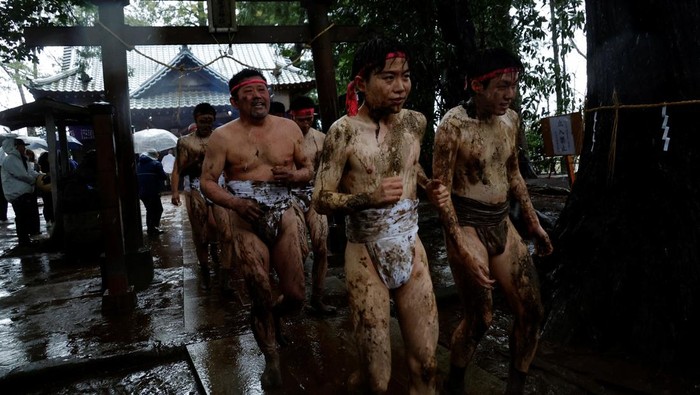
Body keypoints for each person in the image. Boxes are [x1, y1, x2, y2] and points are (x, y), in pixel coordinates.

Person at [312, 37, 447, 394]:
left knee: (428, 366)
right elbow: (320, 198)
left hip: (410, 245)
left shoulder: (415, 123)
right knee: (378, 379)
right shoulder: (342, 132)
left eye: (405, 76)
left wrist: (428, 185)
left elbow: (412, 167)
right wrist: (367, 197)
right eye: (388, 78)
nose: (400, 87)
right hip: (366, 251)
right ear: (361, 82)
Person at [430, 47, 554, 395]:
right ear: (476, 86)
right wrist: (460, 245)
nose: (509, 95)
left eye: (513, 86)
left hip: (501, 222)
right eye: (501, 86)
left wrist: (532, 222)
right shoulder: (452, 127)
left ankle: (515, 387)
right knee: (481, 318)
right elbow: (441, 195)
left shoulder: (511, 120)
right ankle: (454, 383)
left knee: (532, 311)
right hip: (466, 223)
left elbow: (512, 171)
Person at [200, 68, 313, 389]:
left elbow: (308, 168)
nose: (257, 97)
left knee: (295, 295)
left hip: (283, 211)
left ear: (269, 93)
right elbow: (207, 181)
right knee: (259, 289)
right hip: (245, 217)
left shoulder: (289, 128)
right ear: (235, 100)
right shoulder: (223, 137)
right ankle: (271, 358)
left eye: (261, 90)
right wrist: (235, 204)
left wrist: (294, 177)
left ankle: (274, 316)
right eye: (248, 93)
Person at [288, 95, 337, 315]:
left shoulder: (321, 138)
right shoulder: (283, 137)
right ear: (293, 117)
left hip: (314, 195)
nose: (306, 123)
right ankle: (295, 294)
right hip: (291, 197)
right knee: (301, 249)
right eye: (301, 119)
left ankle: (317, 297)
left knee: (321, 247)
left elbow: (329, 169)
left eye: (309, 118)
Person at [171, 103, 224, 287]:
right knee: (200, 233)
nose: (206, 125)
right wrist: (175, 191)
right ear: (196, 120)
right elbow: (177, 168)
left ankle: (216, 250)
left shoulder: (222, 138)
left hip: (219, 185)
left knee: (218, 226)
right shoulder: (185, 142)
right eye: (202, 121)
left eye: (209, 121)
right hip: (196, 187)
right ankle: (204, 269)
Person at [1, 137, 42, 246]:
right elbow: (22, 175)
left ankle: (29, 238)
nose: (24, 148)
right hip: (18, 194)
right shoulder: (10, 159)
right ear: (15, 147)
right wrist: (35, 180)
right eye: (22, 146)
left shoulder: (22, 159)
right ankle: (24, 241)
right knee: (22, 218)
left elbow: (30, 172)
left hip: (25, 192)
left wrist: (40, 176)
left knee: (28, 216)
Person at [137, 148, 168, 236]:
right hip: (153, 191)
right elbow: (163, 177)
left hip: (142, 191)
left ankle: (151, 228)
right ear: (154, 155)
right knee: (158, 209)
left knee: (149, 210)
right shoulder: (156, 164)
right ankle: (152, 228)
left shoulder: (139, 164)